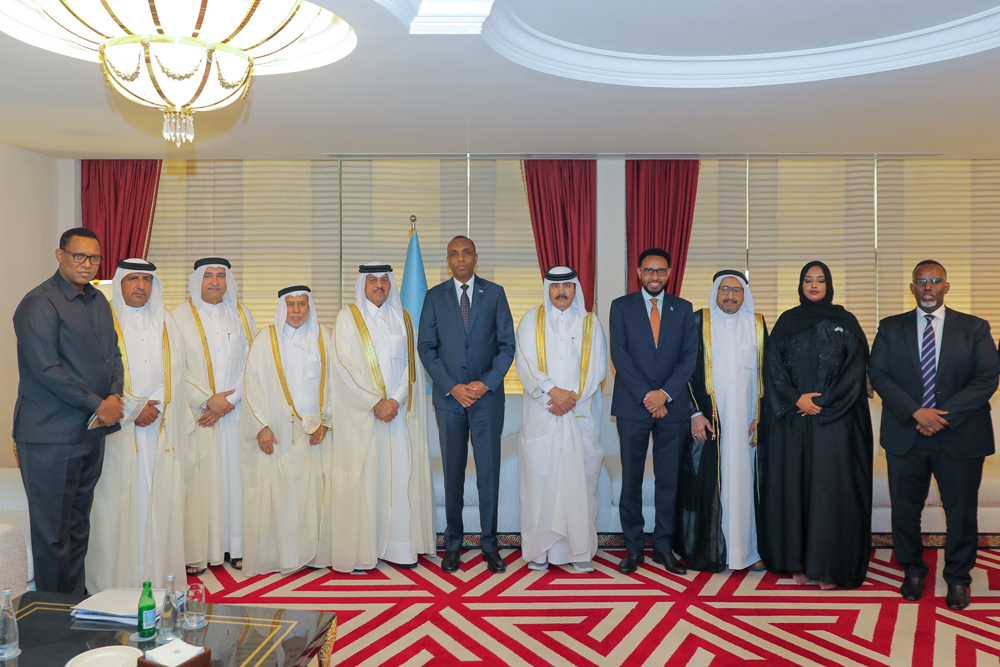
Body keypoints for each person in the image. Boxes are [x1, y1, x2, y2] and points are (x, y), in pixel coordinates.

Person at [869, 260, 999, 610]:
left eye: (935, 281)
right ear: (912, 288)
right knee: (905, 511)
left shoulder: (974, 328)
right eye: (921, 281)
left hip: (960, 435)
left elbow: (988, 378)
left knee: (961, 513)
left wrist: (942, 416)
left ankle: (958, 578)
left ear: (946, 286)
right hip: (906, 434)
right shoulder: (890, 328)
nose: (928, 287)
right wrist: (916, 412)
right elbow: (879, 375)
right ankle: (912, 571)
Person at [13, 228, 124, 593]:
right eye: (79, 256)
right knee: (53, 536)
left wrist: (115, 396)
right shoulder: (38, 303)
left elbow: (114, 355)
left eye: (94, 258)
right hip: (49, 437)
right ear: (60, 255)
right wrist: (98, 404)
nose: (87, 264)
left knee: (78, 526)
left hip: (90, 432)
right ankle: (51, 620)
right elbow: (46, 369)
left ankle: (75, 605)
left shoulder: (98, 300)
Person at [759, 261, 873, 589]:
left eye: (820, 280)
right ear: (800, 284)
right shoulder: (787, 321)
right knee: (795, 490)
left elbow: (855, 370)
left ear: (829, 284)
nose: (813, 285)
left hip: (836, 424)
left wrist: (821, 403)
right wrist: (796, 399)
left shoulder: (846, 322)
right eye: (808, 280)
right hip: (793, 422)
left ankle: (829, 565)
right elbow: (772, 368)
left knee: (829, 492)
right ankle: (798, 561)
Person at [86, 259, 195, 591]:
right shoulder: (102, 321)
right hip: (122, 429)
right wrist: (135, 408)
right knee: (118, 506)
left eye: (146, 280)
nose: (140, 286)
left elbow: (178, 371)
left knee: (160, 501)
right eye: (133, 278)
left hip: (160, 428)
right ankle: (115, 585)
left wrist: (156, 406)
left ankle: (159, 579)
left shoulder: (167, 322)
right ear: (119, 283)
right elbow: (96, 374)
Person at [319, 263, 435, 572]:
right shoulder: (347, 318)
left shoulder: (404, 319)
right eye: (372, 280)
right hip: (362, 418)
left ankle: (399, 548)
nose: (379, 285)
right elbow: (343, 367)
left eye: (384, 280)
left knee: (398, 478)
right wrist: (375, 403)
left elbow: (412, 364)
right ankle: (363, 551)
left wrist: (395, 400)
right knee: (366, 480)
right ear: (363, 284)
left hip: (396, 416)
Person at [417, 236, 516, 574]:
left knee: (488, 474)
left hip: (487, 400)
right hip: (449, 401)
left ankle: (490, 545)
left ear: (476, 257)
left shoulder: (496, 293)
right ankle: (453, 545)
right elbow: (426, 348)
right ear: (448, 260)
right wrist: (453, 387)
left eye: (466, 252)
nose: (460, 258)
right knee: (453, 474)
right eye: (453, 253)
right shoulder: (434, 297)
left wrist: (484, 384)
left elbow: (506, 347)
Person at [610, 248, 698, 576]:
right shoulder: (621, 307)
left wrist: (664, 395)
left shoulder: (684, 309)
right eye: (649, 270)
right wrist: (648, 396)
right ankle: (633, 549)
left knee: (669, 480)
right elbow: (619, 355)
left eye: (660, 271)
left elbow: (688, 358)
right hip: (633, 406)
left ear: (670, 273)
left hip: (671, 407)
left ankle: (664, 547)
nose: (655, 277)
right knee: (631, 479)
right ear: (638, 272)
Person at [514, 266, 608, 573]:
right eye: (556, 286)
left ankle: (578, 551)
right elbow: (525, 364)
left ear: (576, 288)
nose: (561, 291)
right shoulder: (531, 320)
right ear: (547, 288)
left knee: (579, 482)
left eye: (567, 285)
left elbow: (597, 370)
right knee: (540, 482)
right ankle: (539, 552)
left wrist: (571, 400)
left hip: (579, 417)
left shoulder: (591, 323)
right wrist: (552, 393)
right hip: (543, 415)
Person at [677, 270, 767, 573]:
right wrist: (694, 413)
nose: (730, 296)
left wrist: (761, 415)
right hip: (710, 422)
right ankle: (711, 551)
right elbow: (684, 370)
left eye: (737, 290)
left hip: (746, 425)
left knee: (745, 486)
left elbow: (768, 375)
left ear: (745, 294)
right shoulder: (697, 321)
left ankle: (749, 551)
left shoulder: (756, 324)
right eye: (725, 290)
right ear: (715, 292)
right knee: (710, 486)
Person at [172, 257, 257, 575]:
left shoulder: (242, 315)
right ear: (197, 280)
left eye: (221, 276)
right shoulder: (177, 317)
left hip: (234, 414)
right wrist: (207, 400)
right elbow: (176, 367)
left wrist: (230, 399)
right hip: (199, 415)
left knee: (237, 481)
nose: (215, 281)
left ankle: (237, 547)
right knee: (201, 483)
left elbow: (253, 360)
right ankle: (199, 551)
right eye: (208, 275)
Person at [240, 286, 331, 575]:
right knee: (279, 497)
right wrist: (261, 427)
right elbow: (251, 385)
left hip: (314, 434)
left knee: (313, 496)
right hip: (277, 433)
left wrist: (328, 420)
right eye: (290, 304)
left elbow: (336, 383)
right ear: (282, 307)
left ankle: (313, 555)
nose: (296, 310)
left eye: (301, 304)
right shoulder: (265, 340)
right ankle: (280, 556)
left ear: (309, 306)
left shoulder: (324, 338)